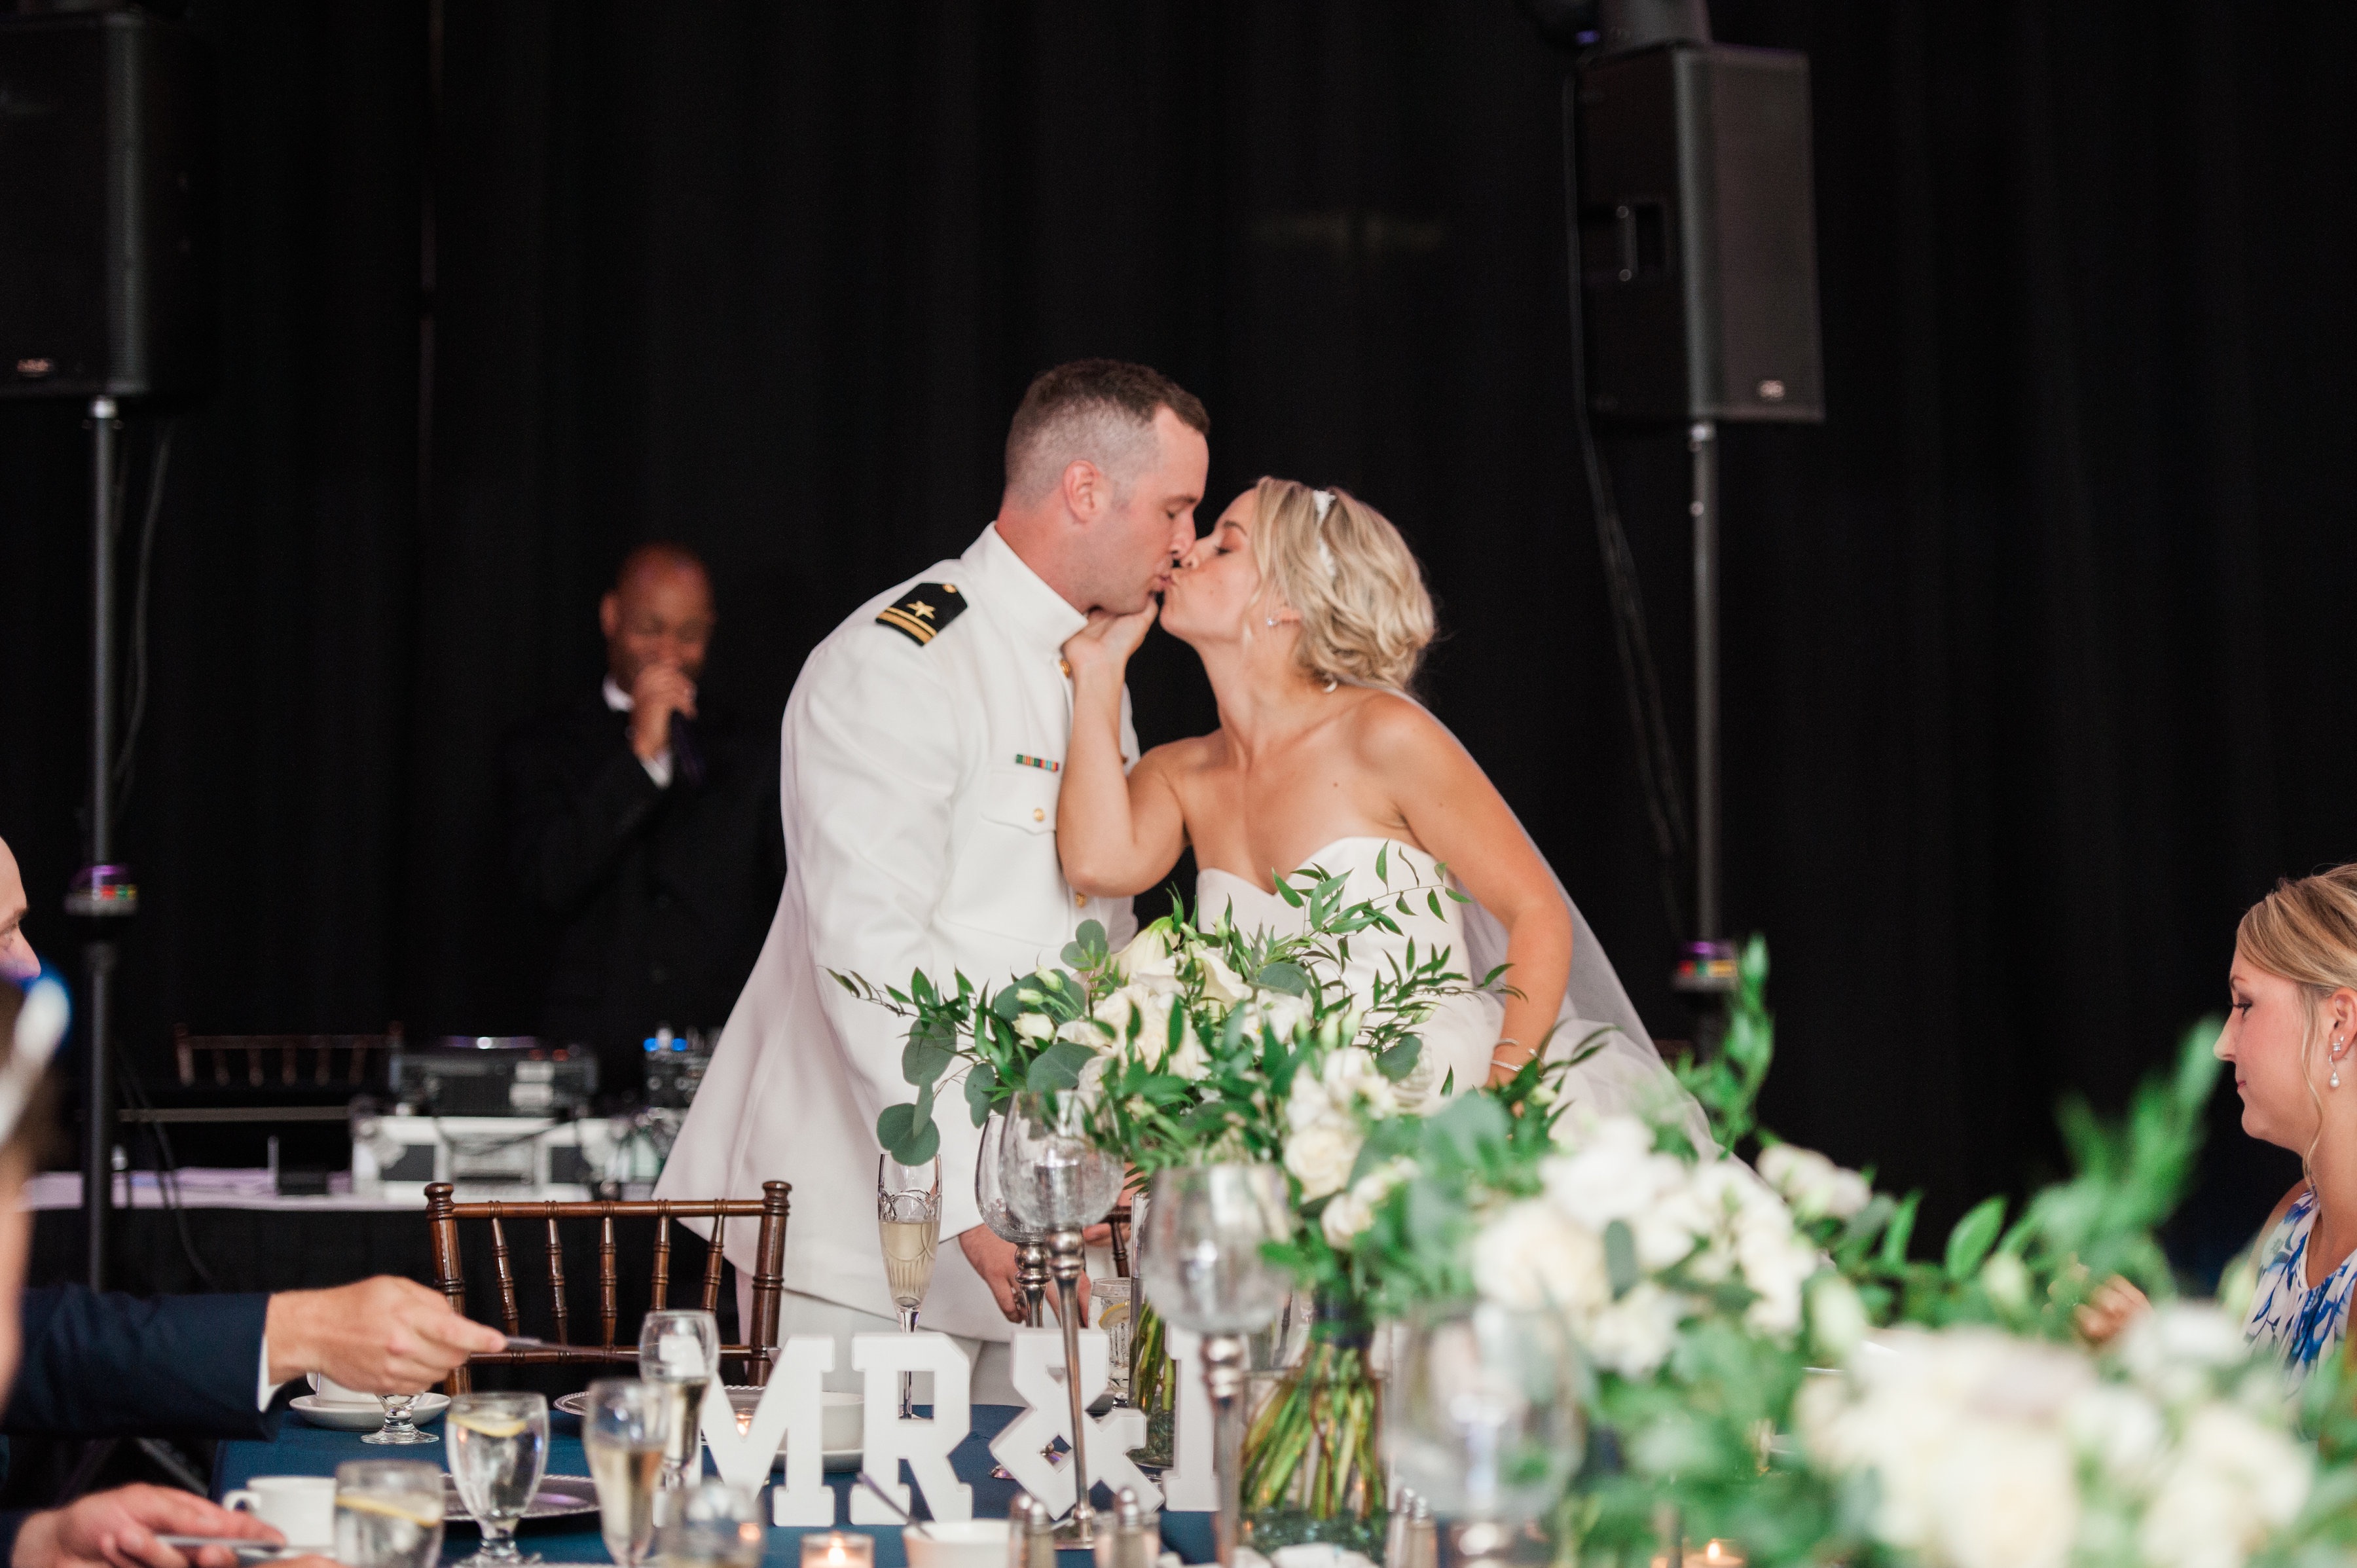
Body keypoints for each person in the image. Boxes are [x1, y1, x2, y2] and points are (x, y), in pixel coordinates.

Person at [657, 359, 1210, 1394]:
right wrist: (963, 1198)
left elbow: (1085, 953)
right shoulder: (901, 658)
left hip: (1045, 1230)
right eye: (1176, 507)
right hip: (872, 1237)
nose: (1187, 541)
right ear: (1085, 489)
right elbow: (870, 954)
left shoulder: (1097, 672)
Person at [1056, 477, 1694, 1123]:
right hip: (1283, 1122)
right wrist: (1099, 669)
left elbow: (1536, 912)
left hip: (1441, 1101)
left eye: (1226, 547)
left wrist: (1505, 1106)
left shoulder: (1384, 733)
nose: (1187, 553)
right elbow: (1098, 863)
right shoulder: (1181, 771)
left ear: (1289, 598)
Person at [504, 543, 787, 1096]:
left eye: (688, 634)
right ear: (611, 616)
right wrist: (640, 760)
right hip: (583, 1068)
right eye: (649, 629)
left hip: (716, 1071)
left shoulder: (751, 753)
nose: (668, 653)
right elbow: (545, 883)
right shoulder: (542, 748)